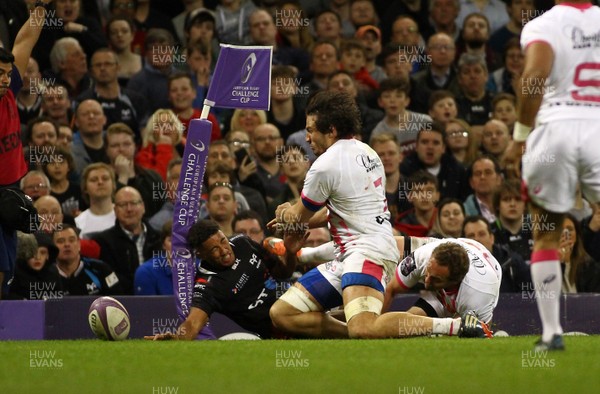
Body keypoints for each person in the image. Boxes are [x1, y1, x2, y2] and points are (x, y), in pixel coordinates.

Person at [504, 0, 600, 351]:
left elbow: (533, 78)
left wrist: (518, 138)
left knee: (546, 232)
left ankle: (550, 333)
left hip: (555, 129)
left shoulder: (544, 24)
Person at [268, 90, 403, 339]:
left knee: (363, 329)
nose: (307, 137)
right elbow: (338, 209)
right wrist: (294, 214)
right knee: (282, 313)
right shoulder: (367, 151)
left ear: (330, 130)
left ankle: (448, 327)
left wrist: (286, 211)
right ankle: (349, 335)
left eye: (311, 130)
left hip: (366, 253)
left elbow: (299, 217)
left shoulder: (324, 165)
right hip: (349, 256)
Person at [144, 219, 302, 340]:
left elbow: (282, 273)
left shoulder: (242, 243)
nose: (224, 250)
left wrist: (291, 254)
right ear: (201, 255)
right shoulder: (206, 286)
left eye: (223, 240)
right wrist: (178, 338)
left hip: (298, 301)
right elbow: (193, 323)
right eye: (214, 249)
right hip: (281, 330)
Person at [0, 0, 50, 298]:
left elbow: (24, 39)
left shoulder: (8, 94)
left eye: (7, 73)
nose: (5, 79)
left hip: (10, 191)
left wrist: (41, 7)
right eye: (0, 73)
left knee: (6, 269)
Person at [91, 186, 161, 294]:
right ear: (115, 210)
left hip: (159, 300)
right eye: (123, 205)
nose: (129, 209)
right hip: (122, 302)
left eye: (133, 203)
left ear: (143, 207)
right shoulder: (103, 242)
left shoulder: (159, 238)